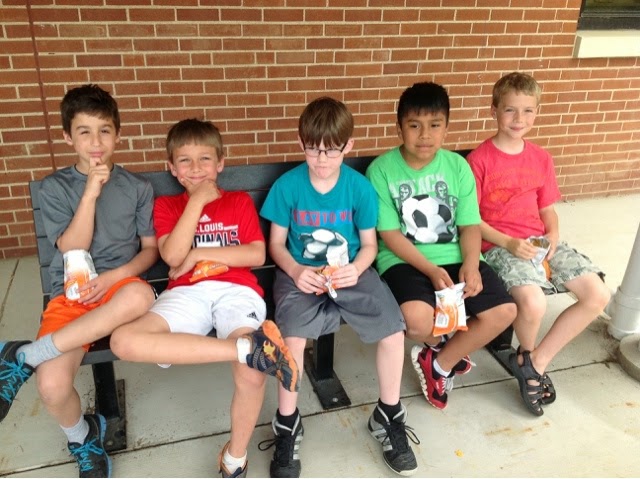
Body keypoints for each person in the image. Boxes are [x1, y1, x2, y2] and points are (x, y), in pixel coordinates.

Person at [108, 118, 300, 478]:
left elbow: (255, 254)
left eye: (205, 159)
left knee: (251, 375)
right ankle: (247, 348)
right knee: (124, 340)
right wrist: (195, 202)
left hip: (236, 290)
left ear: (220, 163)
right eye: (185, 160)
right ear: (171, 168)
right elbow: (172, 256)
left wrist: (198, 255)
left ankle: (235, 458)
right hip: (187, 293)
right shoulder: (168, 206)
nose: (195, 168)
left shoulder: (238, 201)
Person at [0, 84, 159, 478]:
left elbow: (149, 252)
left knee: (140, 295)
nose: (96, 142)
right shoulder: (55, 188)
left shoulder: (137, 188)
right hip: (72, 294)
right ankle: (83, 437)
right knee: (51, 387)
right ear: (68, 137)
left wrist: (113, 277)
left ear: (118, 134)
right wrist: (89, 193)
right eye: (84, 132)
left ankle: (26, 355)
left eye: (104, 131)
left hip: (118, 288)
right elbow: (72, 246)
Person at [259, 97, 419, 478]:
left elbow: (369, 245)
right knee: (291, 337)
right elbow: (276, 245)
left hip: (349, 272)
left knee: (393, 330)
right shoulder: (288, 186)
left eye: (331, 150)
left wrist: (357, 268)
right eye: (313, 149)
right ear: (301, 143)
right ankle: (287, 423)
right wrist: (296, 270)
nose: (321, 159)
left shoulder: (358, 188)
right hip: (301, 274)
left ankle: (388, 414)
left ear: (348, 146)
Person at [365, 81, 517, 411]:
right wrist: (431, 270)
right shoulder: (381, 171)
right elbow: (390, 235)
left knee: (504, 311)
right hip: (404, 260)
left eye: (435, 125)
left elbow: (469, 225)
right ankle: (445, 347)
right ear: (399, 127)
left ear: (446, 127)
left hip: (456, 255)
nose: (425, 135)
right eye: (414, 126)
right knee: (416, 320)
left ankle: (440, 363)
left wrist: (472, 265)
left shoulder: (457, 166)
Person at [467, 72, 610, 416]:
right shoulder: (479, 160)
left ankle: (534, 363)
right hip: (500, 246)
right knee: (533, 303)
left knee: (597, 294)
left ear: (536, 112)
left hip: (540, 241)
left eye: (528, 110)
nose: (519, 119)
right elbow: (471, 220)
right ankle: (527, 357)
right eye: (510, 110)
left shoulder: (541, 158)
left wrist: (553, 236)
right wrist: (509, 243)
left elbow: (548, 210)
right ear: (494, 111)